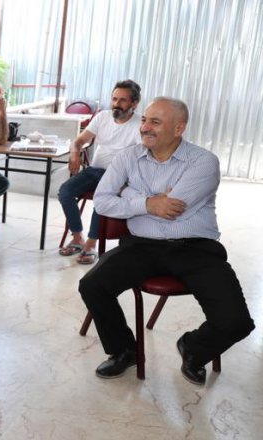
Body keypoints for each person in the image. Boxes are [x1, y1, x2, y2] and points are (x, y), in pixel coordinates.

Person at [79, 97, 255, 385]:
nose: (144, 127)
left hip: (195, 247)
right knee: (92, 285)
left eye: (155, 122)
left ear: (178, 128)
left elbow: (173, 208)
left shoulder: (203, 162)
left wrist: (128, 196)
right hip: (141, 245)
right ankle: (124, 350)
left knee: (236, 322)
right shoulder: (127, 157)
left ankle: (194, 349)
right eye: (145, 120)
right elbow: (101, 202)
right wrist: (148, 203)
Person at [58, 80, 143, 265]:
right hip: (95, 170)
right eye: (114, 99)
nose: (116, 104)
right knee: (65, 191)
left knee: (102, 198)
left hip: (118, 176)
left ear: (134, 103)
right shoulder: (102, 117)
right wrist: (74, 152)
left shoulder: (139, 124)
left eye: (122, 100)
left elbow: (142, 157)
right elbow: (79, 141)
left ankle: (90, 244)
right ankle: (77, 237)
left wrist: (127, 180)